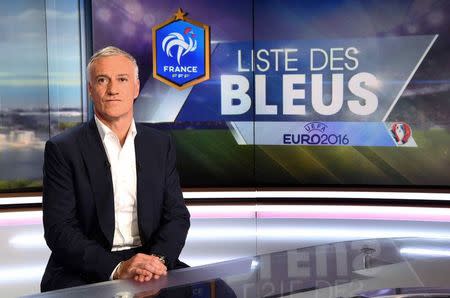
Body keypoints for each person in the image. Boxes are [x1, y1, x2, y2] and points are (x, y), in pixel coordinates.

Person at [41, 46, 190, 292]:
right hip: (86, 267)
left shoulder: (159, 144)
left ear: (136, 88)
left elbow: (177, 215)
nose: (112, 89)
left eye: (122, 79)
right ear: (91, 90)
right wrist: (118, 268)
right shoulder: (63, 148)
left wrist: (157, 261)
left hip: (150, 259)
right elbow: (60, 230)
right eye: (102, 80)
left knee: (221, 292)